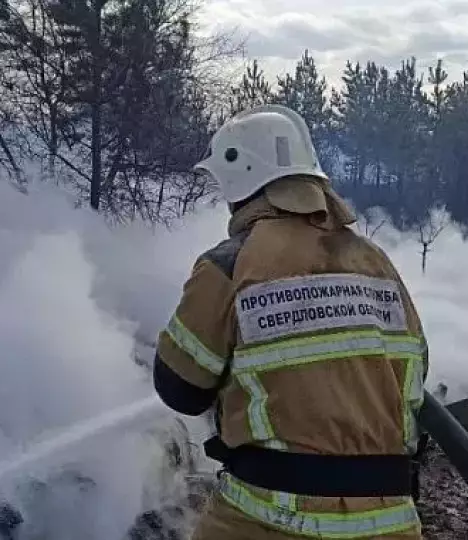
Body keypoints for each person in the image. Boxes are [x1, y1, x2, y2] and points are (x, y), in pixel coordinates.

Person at [153, 104, 429, 539]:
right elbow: (412, 379)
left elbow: (180, 389)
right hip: (390, 520)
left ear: (240, 180)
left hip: (267, 518)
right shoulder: (377, 263)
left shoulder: (230, 264)